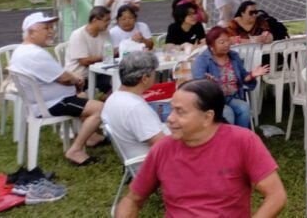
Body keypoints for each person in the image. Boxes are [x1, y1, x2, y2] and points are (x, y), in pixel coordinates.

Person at [115, 80, 286, 217]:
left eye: (180, 112)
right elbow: (132, 199)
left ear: (207, 117)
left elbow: (276, 196)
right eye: (171, 109)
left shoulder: (242, 141)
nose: (170, 119)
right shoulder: (163, 149)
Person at [9, 12, 105, 166]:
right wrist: (76, 79)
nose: (51, 31)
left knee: (82, 96)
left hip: (42, 101)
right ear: (31, 33)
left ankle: (91, 137)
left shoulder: (21, 51)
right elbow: (65, 78)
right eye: (46, 28)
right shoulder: (35, 54)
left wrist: (72, 80)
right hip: (52, 104)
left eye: (51, 27)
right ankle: (75, 150)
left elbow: (60, 77)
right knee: (100, 108)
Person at [192, 27, 269, 128]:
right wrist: (208, 84)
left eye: (228, 40)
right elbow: (198, 86)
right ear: (211, 46)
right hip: (213, 100)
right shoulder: (201, 61)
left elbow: (243, 77)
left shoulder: (233, 56)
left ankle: (241, 138)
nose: (227, 44)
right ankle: (227, 141)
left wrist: (252, 75)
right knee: (227, 113)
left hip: (232, 97)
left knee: (244, 107)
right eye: (222, 42)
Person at [101, 51, 169, 163]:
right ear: (144, 79)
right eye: (153, 73)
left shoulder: (113, 98)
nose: (155, 76)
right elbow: (160, 144)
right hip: (153, 163)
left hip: (135, 157)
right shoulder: (135, 107)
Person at [67, 6, 113, 94]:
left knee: (119, 82)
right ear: (94, 20)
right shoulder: (78, 35)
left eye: (109, 20)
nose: (108, 23)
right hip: (80, 77)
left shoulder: (105, 33)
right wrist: (106, 56)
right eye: (106, 20)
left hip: (99, 73)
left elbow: (109, 52)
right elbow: (84, 61)